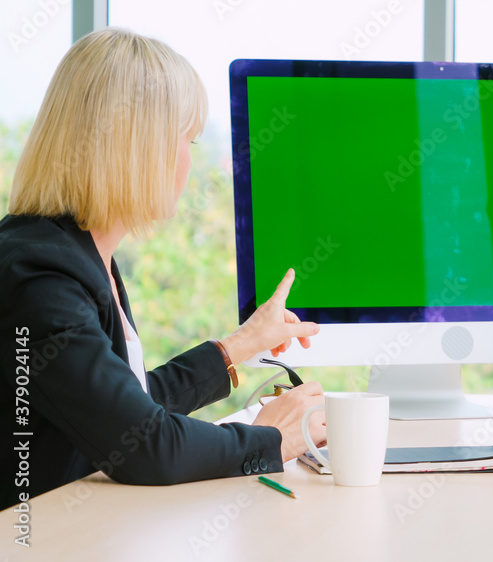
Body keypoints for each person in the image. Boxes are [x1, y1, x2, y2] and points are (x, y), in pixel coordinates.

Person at [0, 28, 327, 510]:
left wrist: (239, 346)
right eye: (187, 139)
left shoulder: (76, 254)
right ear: (137, 146)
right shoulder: (40, 275)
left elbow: (118, 406)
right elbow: (143, 445)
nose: (189, 160)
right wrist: (269, 440)